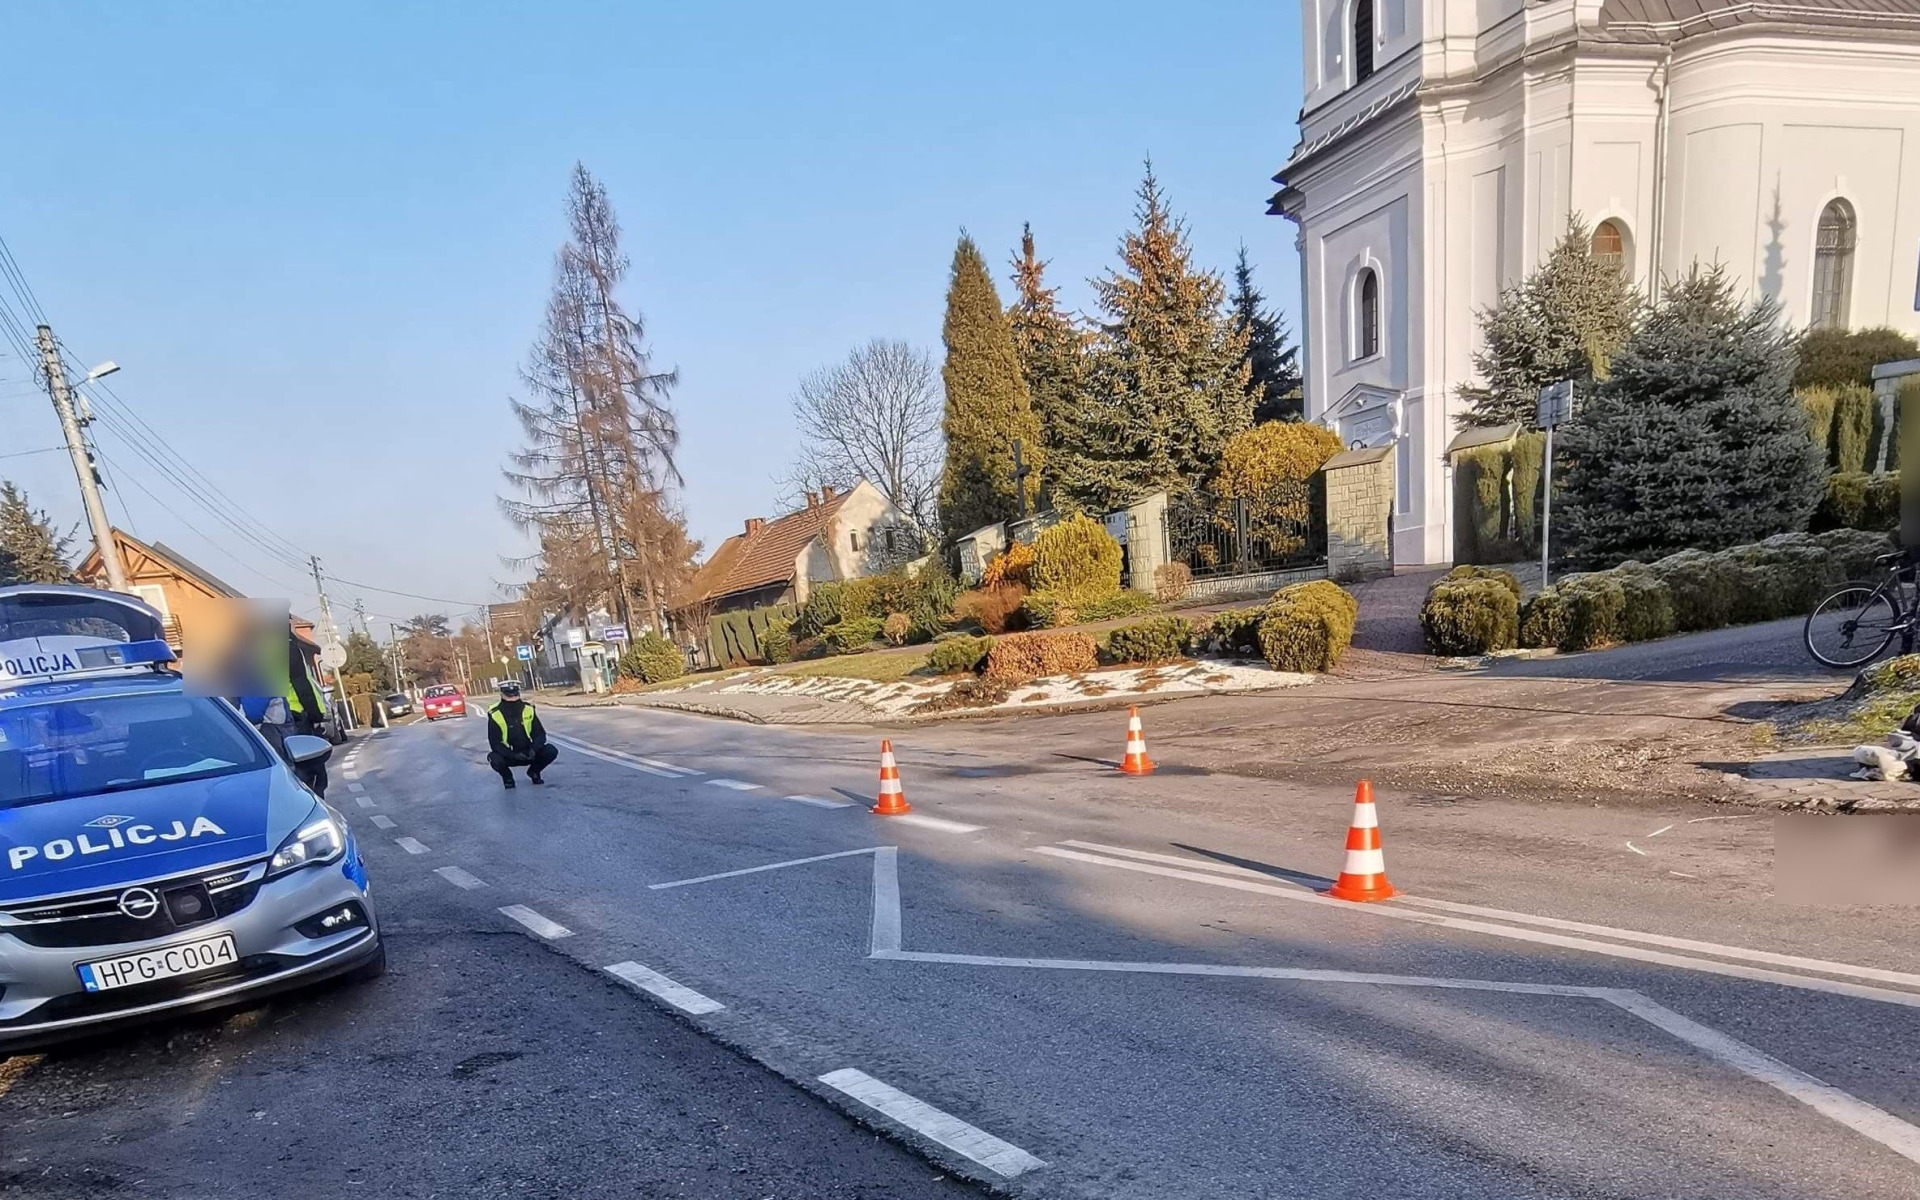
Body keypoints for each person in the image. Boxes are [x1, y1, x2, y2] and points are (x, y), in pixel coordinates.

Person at [486, 680, 557, 789]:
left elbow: (540, 734)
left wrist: (534, 749)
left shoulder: (528, 709)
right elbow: (495, 743)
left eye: (515, 694)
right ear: (501, 694)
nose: (512, 697)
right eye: (509, 695)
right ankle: (508, 778)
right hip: (509, 754)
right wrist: (513, 755)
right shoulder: (495, 713)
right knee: (494, 758)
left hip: (529, 752)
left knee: (551, 750)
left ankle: (534, 772)